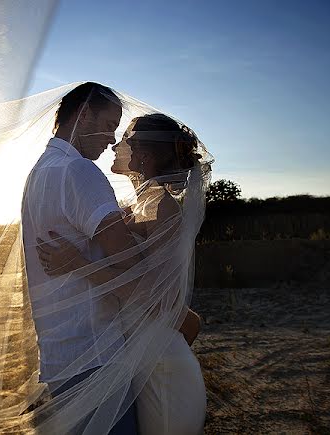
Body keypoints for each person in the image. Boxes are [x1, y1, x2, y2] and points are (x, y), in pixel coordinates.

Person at [36, 113, 207, 435]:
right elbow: (188, 319)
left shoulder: (162, 207)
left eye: (125, 140)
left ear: (142, 156)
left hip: (162, 369)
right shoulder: (134, 206)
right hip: (138, 358)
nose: (115, 145)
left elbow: (157, 301)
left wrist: (77, 265)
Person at [21, 82, 142, 434]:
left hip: (60, 352)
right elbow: (130, 263)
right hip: (95, 350)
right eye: (109, 125)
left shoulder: (39, 172)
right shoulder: (78, 171)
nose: (111, 139)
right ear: (84, 113)